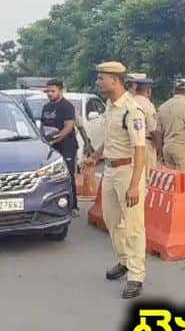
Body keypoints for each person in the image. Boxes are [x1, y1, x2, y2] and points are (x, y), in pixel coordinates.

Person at [89, 61, 147, 300]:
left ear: (115, 80)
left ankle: (136, 275)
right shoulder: (110, 106)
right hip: (110, 170)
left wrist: (134, 185)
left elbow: (140, 149)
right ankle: (124, 260)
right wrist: (95, 156)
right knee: (111, 220)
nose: (99, 82)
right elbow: (111, 139)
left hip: (128, 171)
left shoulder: (131, 110)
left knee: (133, 225)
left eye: (102, 78)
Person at [155, 78, 185, 214]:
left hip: (167, 146)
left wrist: (160, 152)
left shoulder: (163, 107)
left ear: (174, 91)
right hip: (182, 147)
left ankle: (173, 212)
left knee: (172, 183)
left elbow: (158, 133)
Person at [41, 78, 80, 217]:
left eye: (53, 91)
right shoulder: (46, 108)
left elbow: (69, 127)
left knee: (68, 175)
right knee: (49, 176)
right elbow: (42, 127)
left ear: (61, 91)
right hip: (50, 147)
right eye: (48, 91)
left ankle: (73, 206)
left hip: (66, 146)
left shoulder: (67, 106)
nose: (50, 94)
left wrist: (57, 139)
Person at [128, 73, 159, 177]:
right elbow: (153, 130)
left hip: (130, 145)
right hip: (145, 145)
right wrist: (160, 149)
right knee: (147, 178)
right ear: (148, 90)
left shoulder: (128, 102)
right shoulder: (147, 105)